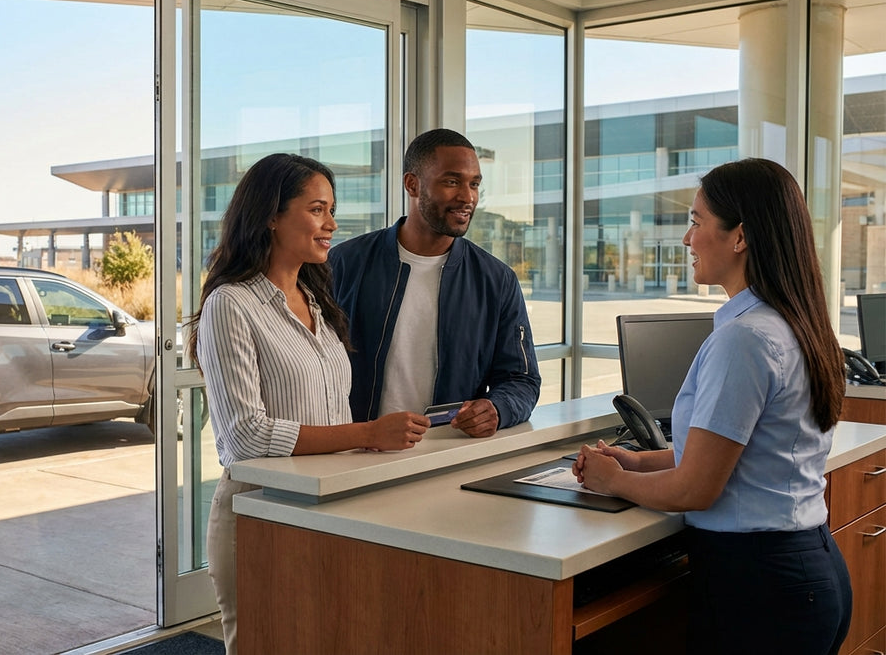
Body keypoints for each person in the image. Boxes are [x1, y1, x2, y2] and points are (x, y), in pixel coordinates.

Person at [572, 158, 852, 655]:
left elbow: (696, 487)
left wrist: (611, 481)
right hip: (804, 569)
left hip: (763, 588)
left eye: (697, 222)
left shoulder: (744, 340)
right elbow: (728, 455)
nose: (686, 239)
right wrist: (636, 461)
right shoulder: (790, 322)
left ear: (739, 237)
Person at [187, 152, 430, 654]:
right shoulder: (230, 304)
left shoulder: (316, 301)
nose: (332, 224)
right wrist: (367, 434)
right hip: (260, 516)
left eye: (331, 210)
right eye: (317, 209)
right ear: (271, 215)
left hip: (329, 508)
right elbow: (244, 436)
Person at [329, 128, 541, 438]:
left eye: (474, 184)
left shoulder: (496, 280)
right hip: (355, 451)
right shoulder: (345, 263)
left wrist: (498, 408)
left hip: (445, 453)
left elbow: (521, 379)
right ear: (412, 184)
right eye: (451, 182)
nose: (467, 197)